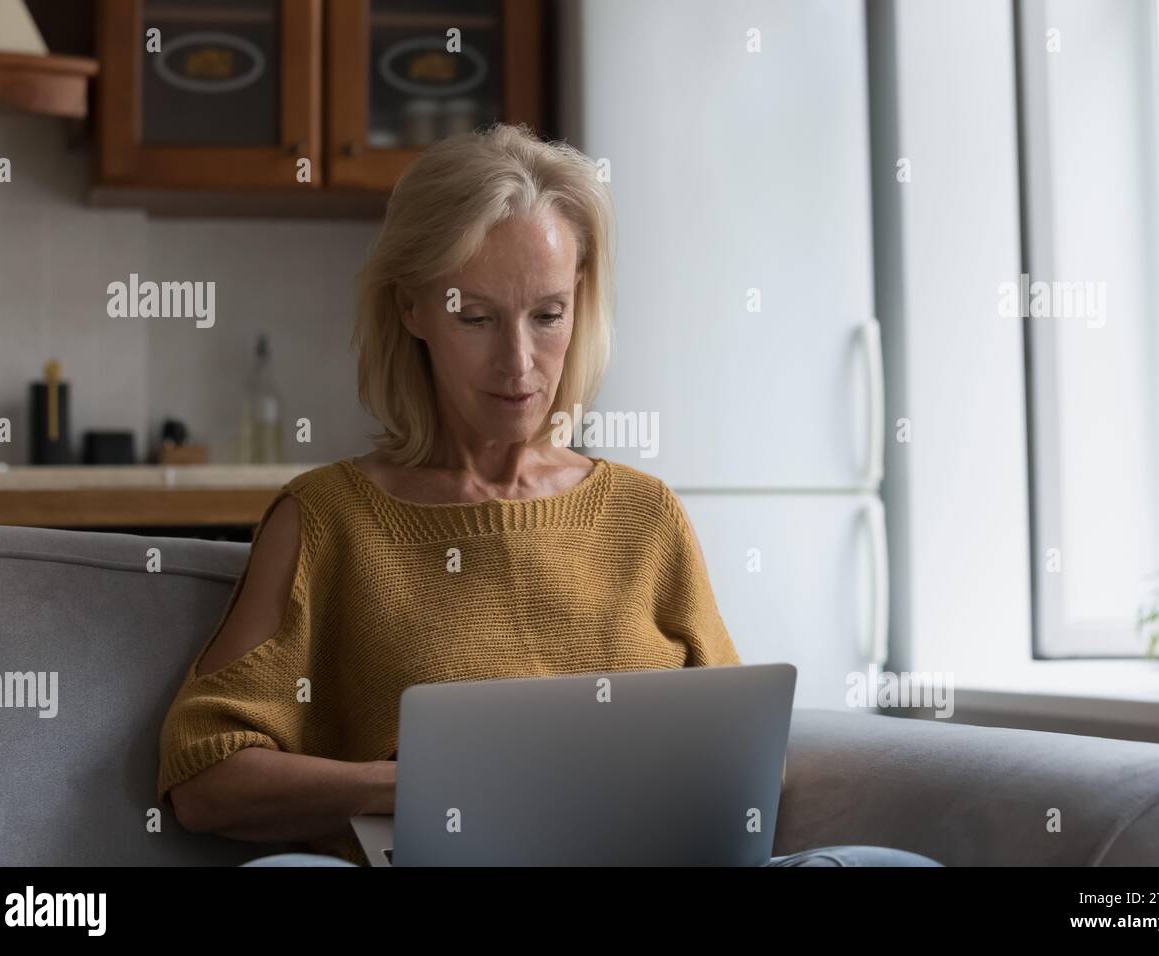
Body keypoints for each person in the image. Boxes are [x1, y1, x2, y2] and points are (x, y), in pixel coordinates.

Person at [156, 122, 943, 869]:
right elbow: (205, 779)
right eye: (477, 317)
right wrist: (420, 792)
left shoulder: (646, 515)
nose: (520, 364)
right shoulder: (329, 521)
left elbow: (750, 774)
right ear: (412, 307)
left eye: (547, 315)